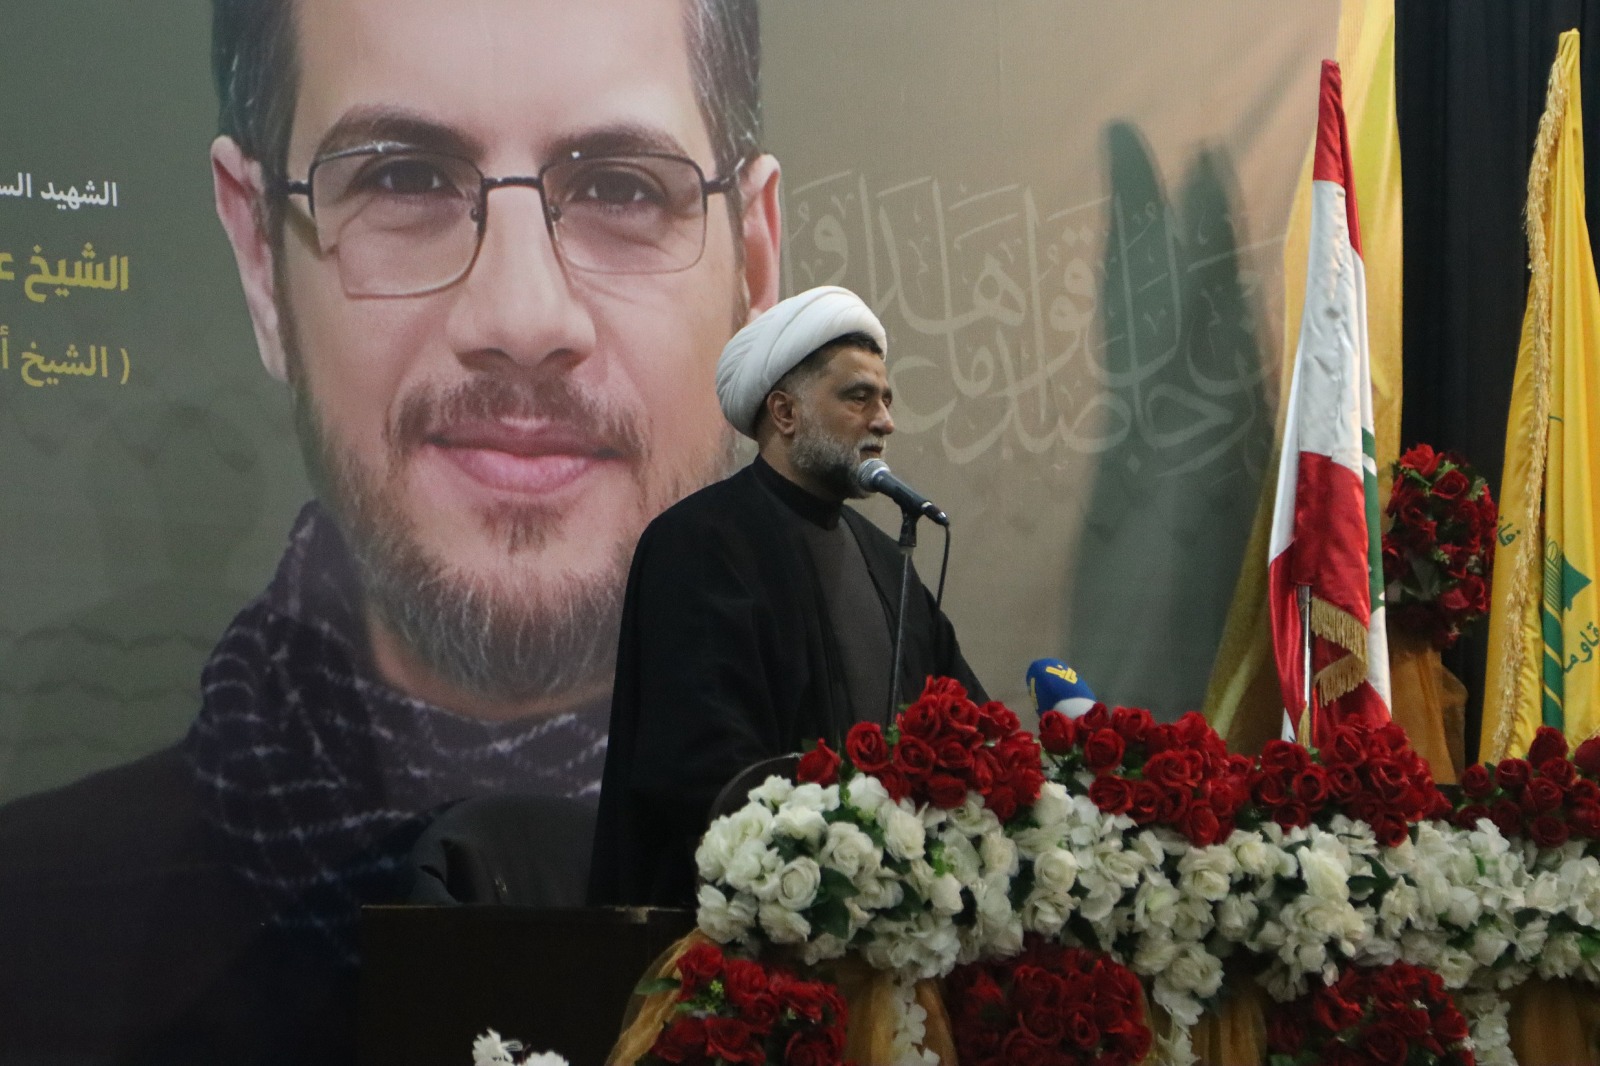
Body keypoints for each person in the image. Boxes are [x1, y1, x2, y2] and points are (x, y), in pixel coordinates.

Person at [0, 0, 780, 1061]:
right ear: (259, 258)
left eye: (621, 188)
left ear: (755, 268)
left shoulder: (958, 928)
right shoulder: (29, 941)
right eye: (406, 179)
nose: (521, 318)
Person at [589, 286, 986, 908]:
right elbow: (700, 765)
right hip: (732, 923)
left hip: (886, 921)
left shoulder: (888, 563)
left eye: (886, 400)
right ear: (785, 412)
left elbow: (971, 727)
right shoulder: (699, 543)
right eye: (858, 397)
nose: (884, 421)